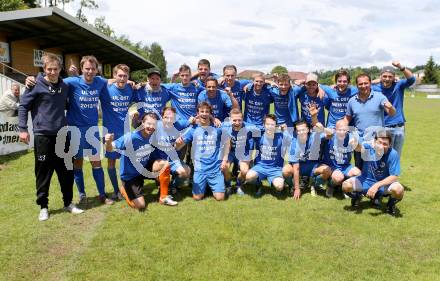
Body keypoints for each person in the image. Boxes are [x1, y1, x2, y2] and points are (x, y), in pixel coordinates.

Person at [18, 53, 84, 221]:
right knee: (43, 173)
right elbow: (23, 106)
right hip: (43, 136)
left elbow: (79, 89)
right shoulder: (34, 84)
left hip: (62, 135)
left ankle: (68, 203)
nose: (52, 72)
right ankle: (44, 207)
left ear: (60, 69)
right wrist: (23, 129)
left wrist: (75, 75)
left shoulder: (64, 86)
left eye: (55, 69)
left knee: (66, 171)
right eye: (49, 69)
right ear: (44, 69)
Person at [104, 112, 178, 210]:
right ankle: (123, 190)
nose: (151, 127)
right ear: (142, 123)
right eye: (148, 124)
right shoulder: (130, 137)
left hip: (143, 169)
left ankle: (163, 197)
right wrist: (108, 142)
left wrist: (177, 143)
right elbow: (110, 149)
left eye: (154, 124)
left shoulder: (153, 136)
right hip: (130, 176)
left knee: (164, 164)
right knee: (140, 206)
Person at [175, 102, 229, 201]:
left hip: (215, 169)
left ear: (210, 114)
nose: (204, 114)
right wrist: (178, 143)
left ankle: (217, 185)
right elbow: (178, 147)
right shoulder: (192, 129)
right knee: (197, 198)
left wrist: (224, 160)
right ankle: (206, 186)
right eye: (202, 111)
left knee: (220, 198)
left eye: (207, 112)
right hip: (200, 170)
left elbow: (227, 141)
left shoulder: (217, 127)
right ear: (198, 113)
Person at [342, 130, 404, 215]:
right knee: (346, 186)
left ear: (390, 145)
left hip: (383, 184)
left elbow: (394, 176)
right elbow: (359, 148)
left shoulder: (393, 154)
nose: (381, 146)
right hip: (366, 180)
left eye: (385, 144)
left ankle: (390, 205)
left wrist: (376, 186)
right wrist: (355, 143)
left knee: (399, 190)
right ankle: (357, 196)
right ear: (374, 142)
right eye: (379, 142)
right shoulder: (369, 147)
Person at [101, 64, 138, 201]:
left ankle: (126, 188)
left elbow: (139, 94)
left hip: (125, 131)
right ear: (115, 75)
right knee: (111, 162)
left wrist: (134, 111)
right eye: (120, 75)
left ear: (128, 77)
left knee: (126, 161)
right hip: (110, 132)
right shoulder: (106, 88)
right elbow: (94, 81)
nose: (122, 78)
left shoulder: (130, 88)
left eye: (125, 76)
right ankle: (116, 191)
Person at [344, 73, 396, 169]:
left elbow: (392, 113)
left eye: (366, 83)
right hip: (360, 140)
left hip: (377, 141)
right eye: (360, 84)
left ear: (370, 83)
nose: (363, 86)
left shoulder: (380, 97)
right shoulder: (352, 101)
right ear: (357, 85)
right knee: (359, 167)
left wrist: (391, 107)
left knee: (377, 169)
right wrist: (340, 129)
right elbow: (347, 118)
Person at [371, 61, 415, 156]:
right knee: (380, 157)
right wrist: (374, 81)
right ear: (380, 76)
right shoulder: (374, 88)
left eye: (390, 77)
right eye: (385, 76)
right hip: (382, 128)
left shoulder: (399, 85)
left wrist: (400, 66)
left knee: (395, 157)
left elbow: (411, 79)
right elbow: (361, 86)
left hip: (398, 128)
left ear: (394, 77)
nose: (387, 79)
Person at [245, 114, 292, 196]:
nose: (270, 127)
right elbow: (246, 127)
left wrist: (285, 129)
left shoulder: (282, 136)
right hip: (260, 166)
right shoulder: (259, 135)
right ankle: (258, 184)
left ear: (276, 125)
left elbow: (294, 140)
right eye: (267, 124)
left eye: (272, 124)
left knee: (279, 186)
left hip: (275, 169)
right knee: (248, 177)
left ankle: (274, 185)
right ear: (264, 125)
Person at [313, 120, 361, 197]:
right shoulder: (330, 136)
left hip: (345, 166)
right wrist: (322, 128)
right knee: (339, 178)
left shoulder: (351, 137)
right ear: (335, 129)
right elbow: (327, 133)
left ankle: (345, 188)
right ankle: (330, 186)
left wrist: (356, 144)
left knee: (358, 174)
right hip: (332, 166)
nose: (342, 132)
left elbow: (359, 149)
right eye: (339, 130)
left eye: (344, 130)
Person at [154, 106, 193, 195]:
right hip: (159, 160)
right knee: (159, 169)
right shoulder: (156, 126)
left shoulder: (178, 125)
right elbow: (142, 127)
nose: (168, 120)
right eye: (166, 117)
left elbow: (192, 122)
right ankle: (162, 186)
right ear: (161, 117)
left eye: (171, 117)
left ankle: (172, 186)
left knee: (186, 171)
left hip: (173, 160)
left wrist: (193, 119)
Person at [221, 108, 259, 195]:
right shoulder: (224, 126)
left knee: (244, 170)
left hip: (243, 152)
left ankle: (238, 185)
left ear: (243, 119)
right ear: (230, 120)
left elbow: (266, 128)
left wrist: (280, 128)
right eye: (234, 120)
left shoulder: (250, 127)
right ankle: (228, 186)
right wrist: (213, 118)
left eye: (239, 120)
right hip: (230, 152)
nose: (237, 123)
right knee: (224, 167)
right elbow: (211, 125)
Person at [284, 119, 322, 199]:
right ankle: (294, 185)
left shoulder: (314, 136)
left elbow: (329, 135)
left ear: (308, 129)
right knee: (285, 171)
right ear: (296, 132)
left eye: (303, 130)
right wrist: (297, 189)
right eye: (299, 130)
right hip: (300, 167)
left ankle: (313, 184)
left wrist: (323, 129)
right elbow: (296, 167)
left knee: (327, 171)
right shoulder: (294, 144)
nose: (301, 132)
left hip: (313, 167)